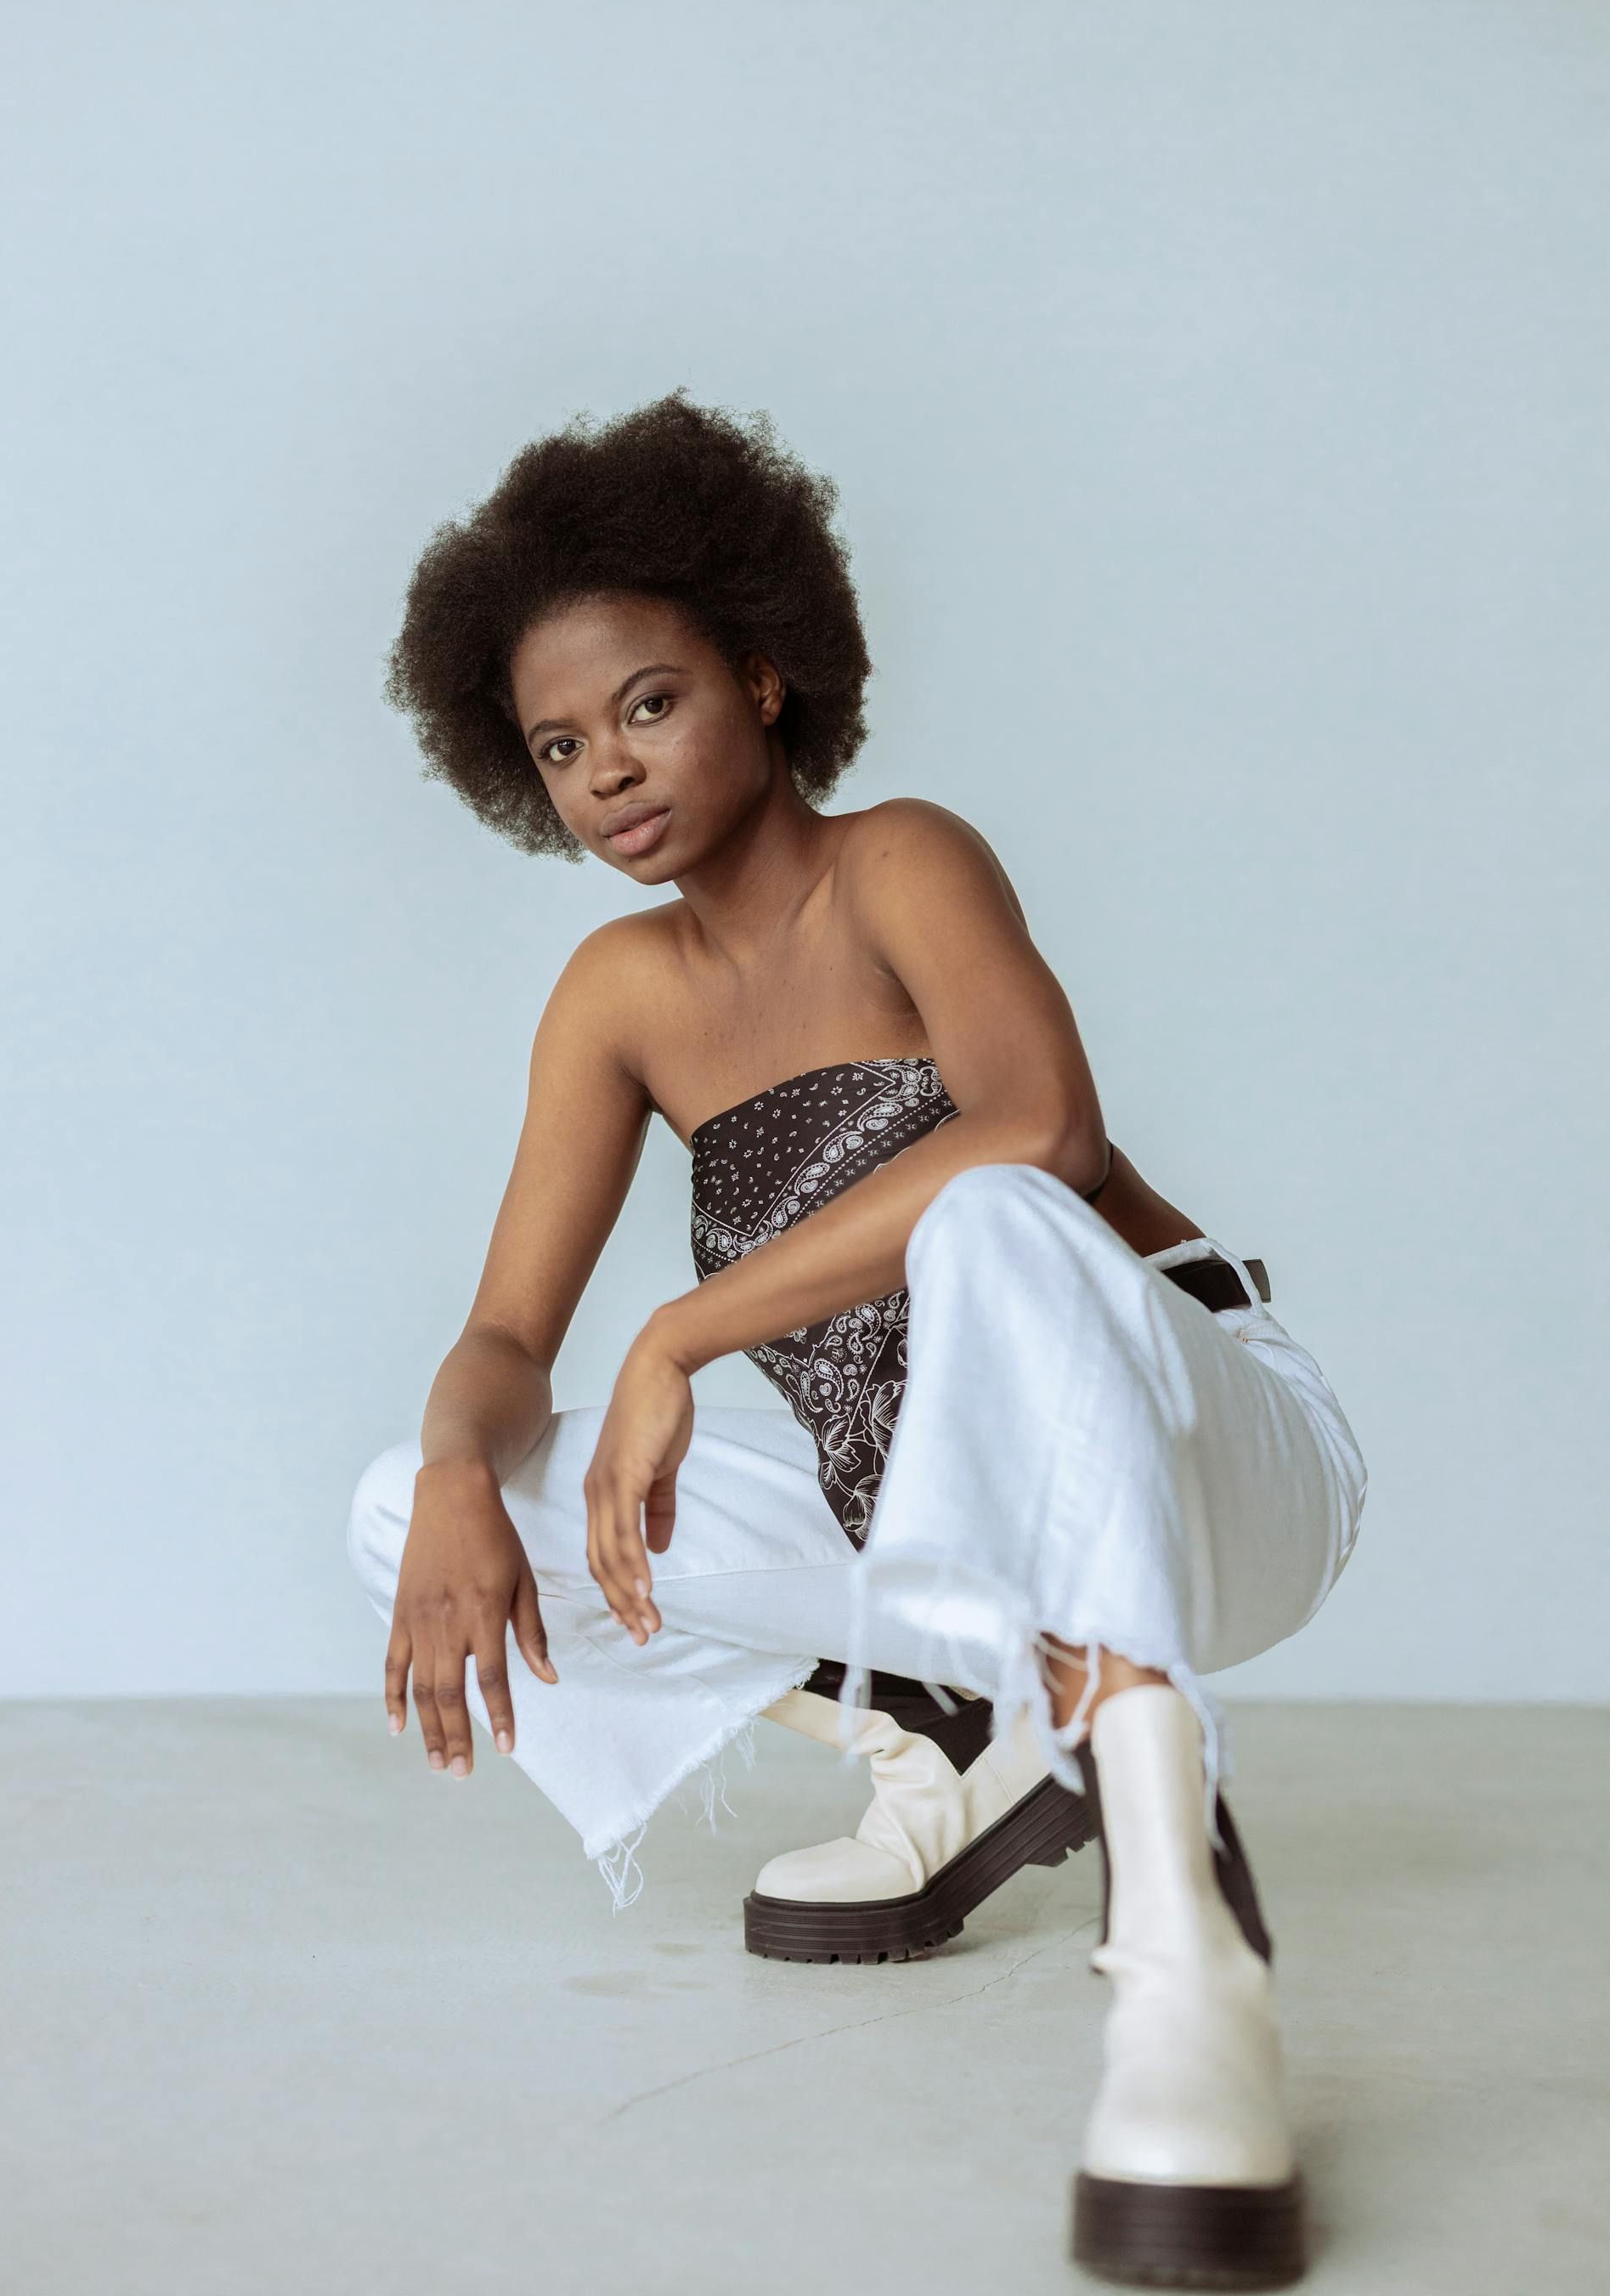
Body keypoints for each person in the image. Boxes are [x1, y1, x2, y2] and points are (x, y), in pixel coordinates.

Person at [346, 387, 1368, 2290]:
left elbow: (1038, 1133)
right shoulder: (617, 995)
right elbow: (502, 1331)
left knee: (991, 1209)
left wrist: (681, 1334)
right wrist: (454, 1469)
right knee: (413, 1512)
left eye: (649, 704)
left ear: (766, 674)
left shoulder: (901, 858)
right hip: (937, 1544)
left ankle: (1185, 1964)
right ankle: (955, 1738)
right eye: (561, 745)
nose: (611, 772)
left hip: (1210, 1460)